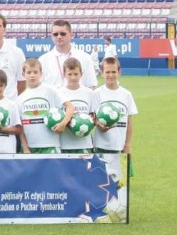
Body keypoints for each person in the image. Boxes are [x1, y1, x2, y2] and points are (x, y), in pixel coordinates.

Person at [92, 56, 137, 185]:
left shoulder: (126, 95)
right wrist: (99, 125)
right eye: (107, 72)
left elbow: (129, 122)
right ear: (101, 73)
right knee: (99, 182)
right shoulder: (97, 93)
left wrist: (127, 144)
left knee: (119, 184)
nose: (110, 75)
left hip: (119, 146)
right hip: (101, 145)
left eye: (113, 71)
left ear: (119, 72)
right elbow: (93, 118)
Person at [17, 58, 73, 154]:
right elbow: (19, 127)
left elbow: (70, 107)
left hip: (50, 145)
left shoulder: (50, 90)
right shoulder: (20, 99)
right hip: (30, 148)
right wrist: (25, 147)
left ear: (41, 73)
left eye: (35, 72)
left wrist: (63, 123)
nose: (32, 75)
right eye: (29, 72)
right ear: (23, 74)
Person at [39, 19, 97, 89]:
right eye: (55, 34)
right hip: (53, 99)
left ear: (71, 35)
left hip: (78, 98)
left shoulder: (85, 57)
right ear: (51, 36)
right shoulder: (43, 60)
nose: (59, 37)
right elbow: (40, 88)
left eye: (63, 34)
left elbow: (91, 86)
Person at [58, 57, 94, 155]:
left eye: (76, 74)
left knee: (85, 170)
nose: (73, 77)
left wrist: (89, 122)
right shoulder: (59, 93)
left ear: (81, 74)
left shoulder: (89, 93)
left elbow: (93, 117)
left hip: (84, 144)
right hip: (65, 144)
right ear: (64, 75)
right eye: (69, 74)